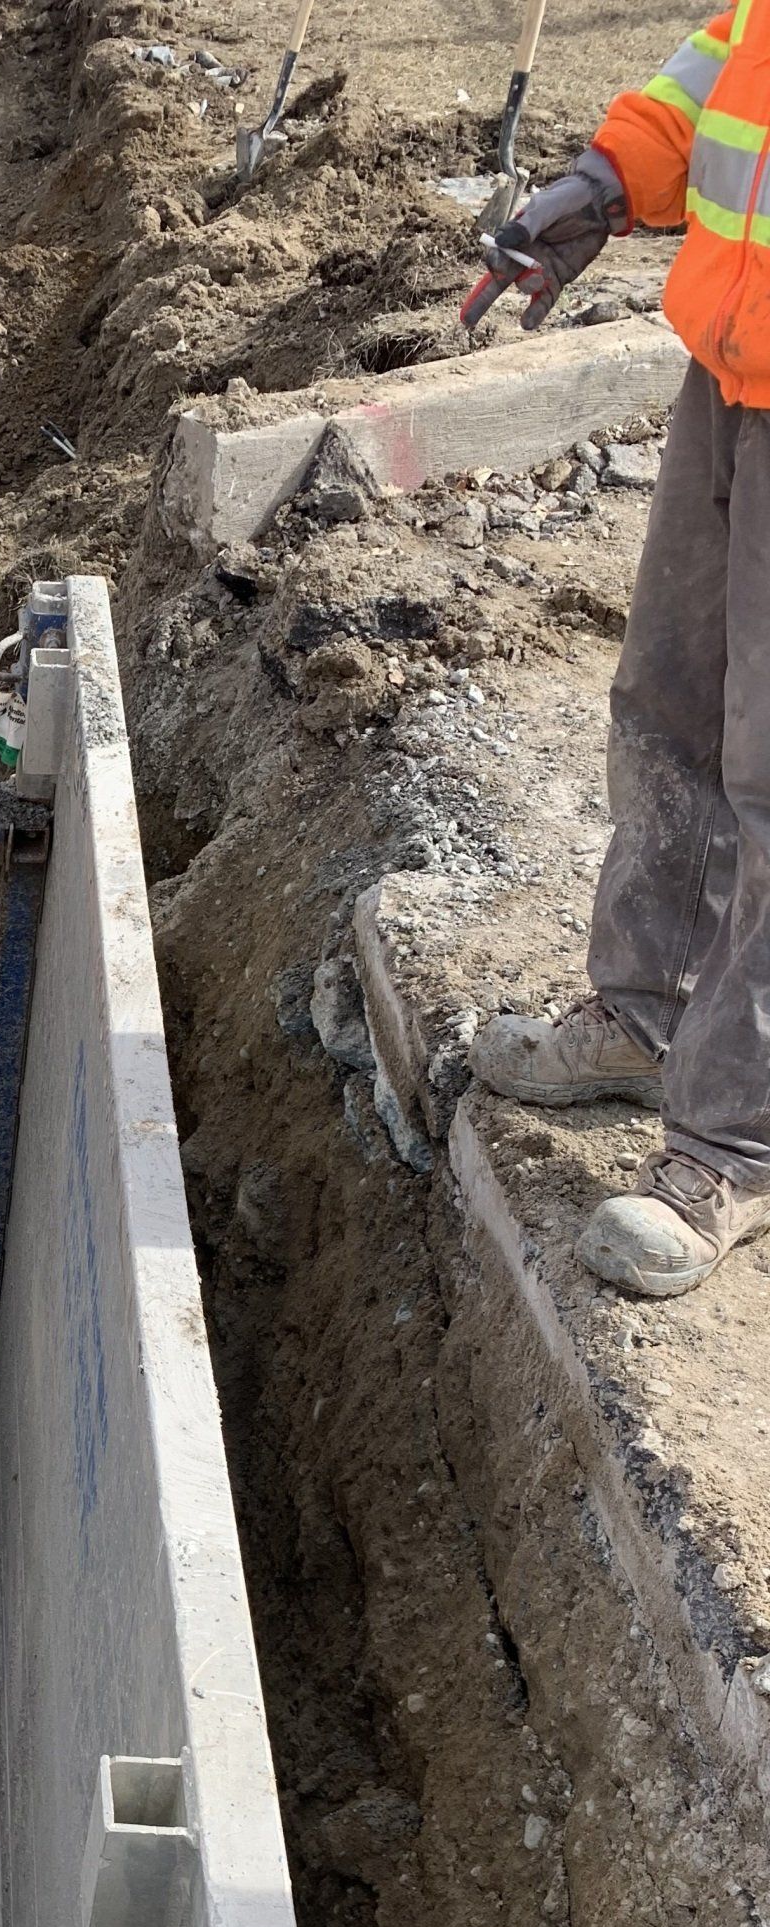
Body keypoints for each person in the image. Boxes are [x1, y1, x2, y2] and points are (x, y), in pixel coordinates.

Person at [462, 13, 770, 1295]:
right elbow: (720, 82)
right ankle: (648, 1015)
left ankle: (735, 1142)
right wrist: (600, 183)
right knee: (668, 703)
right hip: (733, 363)